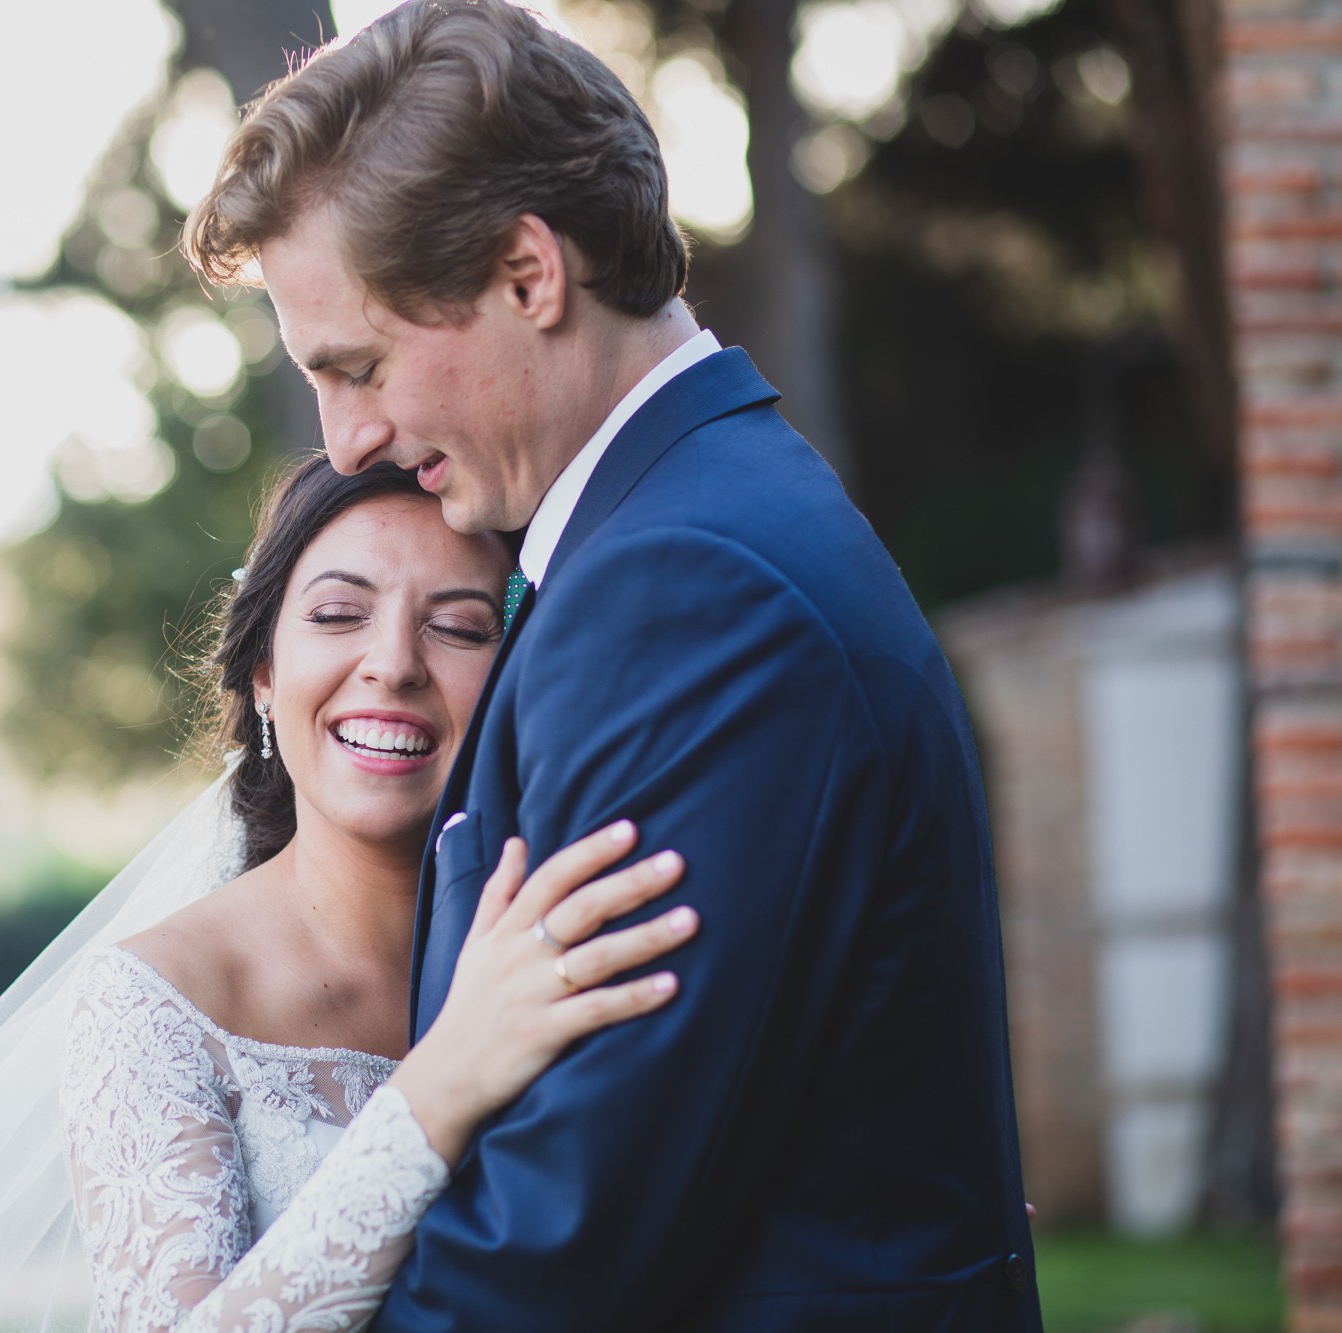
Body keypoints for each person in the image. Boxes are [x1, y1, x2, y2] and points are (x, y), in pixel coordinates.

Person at [179, 1, 1042, 1328]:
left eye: (358, 367)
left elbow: (561, 1244)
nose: (344, 441)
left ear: (530, 275)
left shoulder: (685, 590)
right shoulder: (695, 524)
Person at [61, 455, 699, 1332]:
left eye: (462, 628)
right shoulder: (157, 1002)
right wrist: (439, 1086)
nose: (393, 664)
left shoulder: (574, 931)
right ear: (263, 677)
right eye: (336, 614)